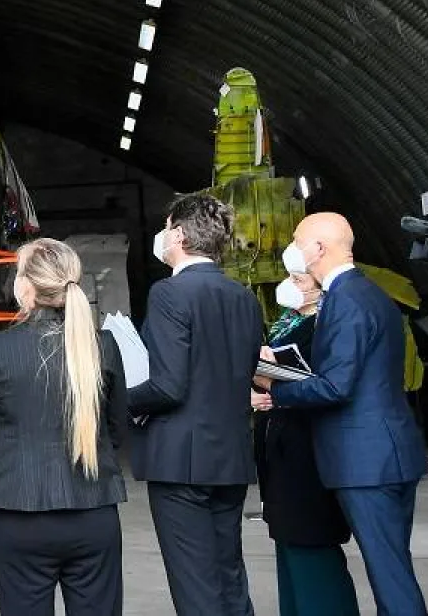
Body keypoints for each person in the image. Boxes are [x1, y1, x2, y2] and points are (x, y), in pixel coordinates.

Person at [259, 213, 428, 616]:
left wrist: (273, 389)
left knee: (391, 576)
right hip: (387, 452)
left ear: (318, 249)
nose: (293, 250)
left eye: (298, 241)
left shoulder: (345, 299)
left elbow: (336, 385)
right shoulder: (368, 293)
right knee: (393, 569)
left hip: (365, 462)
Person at [0, 238, 129, 616]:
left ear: (25, 286)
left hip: (20, 514)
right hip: (93, 512)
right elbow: (117, 433)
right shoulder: (104, 347)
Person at [128, 193, 264, 616]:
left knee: (194, 583)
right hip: (231, 454)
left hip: (181, 459)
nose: (162, 236)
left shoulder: (169, 293)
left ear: (180, 235)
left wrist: (120, 400)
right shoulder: (243, 296)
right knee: (228, 571)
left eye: (167, 227)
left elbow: (169, 386)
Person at [251, 271, 359, 616]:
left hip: (308, 450)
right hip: (281, 444)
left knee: (310, 543)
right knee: (289, 544)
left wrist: (274, 382)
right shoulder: (289, 322)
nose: (288, 284)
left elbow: (331, 386)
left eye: (299, 279)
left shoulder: (328, 324)